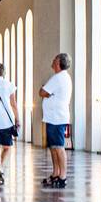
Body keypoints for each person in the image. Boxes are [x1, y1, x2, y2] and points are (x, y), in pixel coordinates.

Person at [39, 53, 74, 189]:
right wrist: (48, 92)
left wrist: (46, 91)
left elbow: (42, 92)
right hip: (53, 117)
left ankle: (62, 177)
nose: (52, 61)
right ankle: (56, 173)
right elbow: (45, 92)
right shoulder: (62, 77)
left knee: (59, 147)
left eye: (55, 59)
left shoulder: (58, 77)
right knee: (53, 147)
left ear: (59, 63)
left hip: (57, 118)